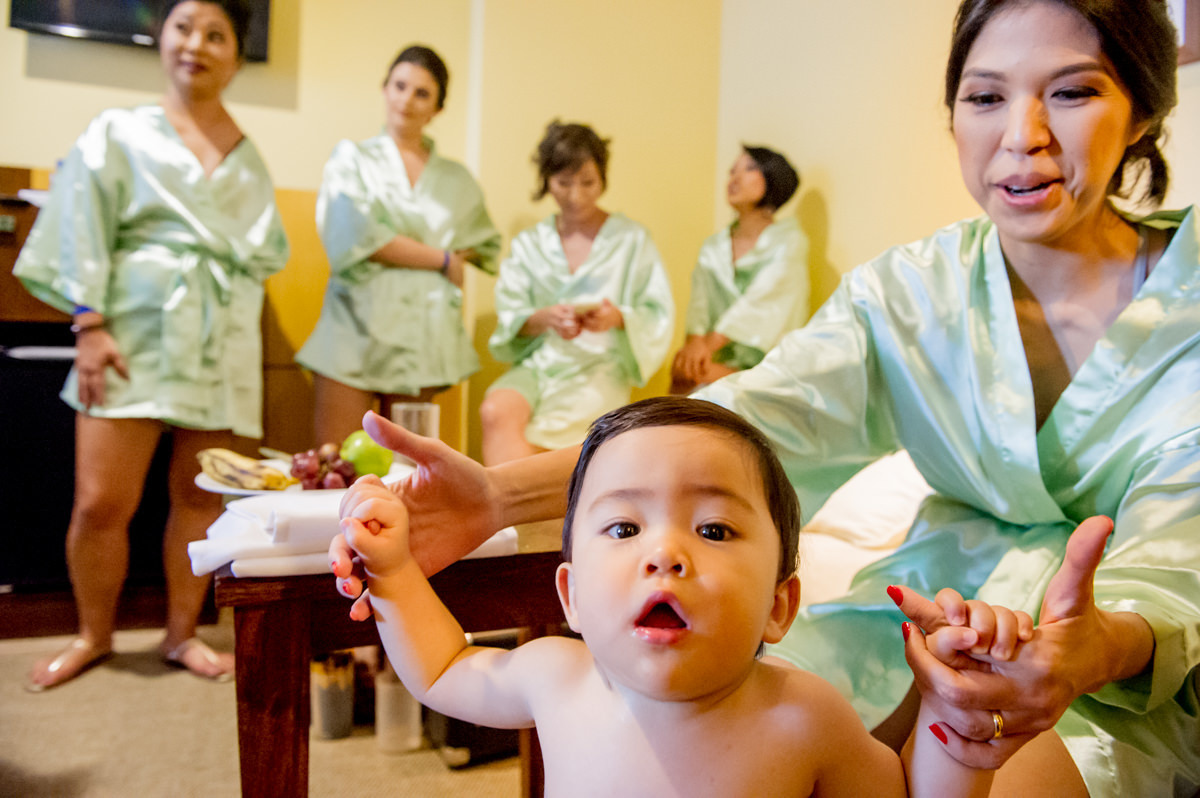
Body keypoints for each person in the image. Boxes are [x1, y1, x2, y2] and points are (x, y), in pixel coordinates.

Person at [332, 0, 1200, 793]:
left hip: (1125, 663)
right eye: (985, 98)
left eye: (1074, 91)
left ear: (1146, 110)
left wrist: (1094, 651)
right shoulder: (910, 292)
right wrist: (494, 495)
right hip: (915, 614)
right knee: (716, 729)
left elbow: (1177, 566)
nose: (1025, 136)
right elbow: (738, 429)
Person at [335, 397, 1016, 796]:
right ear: (569, 595)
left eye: (714, 528)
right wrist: (390, 568)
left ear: (779, 605)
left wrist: (955, 725)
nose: (664, 553)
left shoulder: (803, 717)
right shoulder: (555, 677)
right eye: (625, 527)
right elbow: (443, 667)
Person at [14, 0, 289, 690]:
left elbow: (260, 259)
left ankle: (180, 636)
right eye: (184, 27)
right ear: (160, 37)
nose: (198, 43)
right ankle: (93, 634)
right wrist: (91, 325)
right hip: (128, 332)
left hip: (219, 338)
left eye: (217, 34)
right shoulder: (116, 132)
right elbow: (81, 227)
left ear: (236, 53)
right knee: (101, 501)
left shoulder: (248, 155)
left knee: (200, 500)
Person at [295, 44, 501, 448]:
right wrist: (440, 258)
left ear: (437, 108)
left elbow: (484, 243)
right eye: (399, 85)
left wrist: (448, 260)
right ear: (385, 88)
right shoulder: (351, 159)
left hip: (422, 336)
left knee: (408, 475)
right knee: (337, 468)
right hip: (353, 326)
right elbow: (355, 236)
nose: (406, 100)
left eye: (421, 93)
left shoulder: (456, 180)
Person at [478, 122, 674, 465]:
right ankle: (511, 514)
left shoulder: (631, 239)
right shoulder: (530, 243)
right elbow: (512, 316)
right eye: (563, 183)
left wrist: (617, 317)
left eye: (587, 182)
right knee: (496, 409)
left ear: (603, 178)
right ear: (546, 181)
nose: (575, 195)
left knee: (579, 434)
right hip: (541, 363)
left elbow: (657, 311)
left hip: (601, 363)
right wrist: (546, 318)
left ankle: (542, 514)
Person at [670, 145, 808, 394]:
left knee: (704, 381)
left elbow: (760, 304)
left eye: (749, 169)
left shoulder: (789, 241)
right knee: (681, 374)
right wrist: (694, 348)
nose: (734, 178)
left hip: (768, 363)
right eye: (731, 171)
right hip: (713, 358)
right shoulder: (713, 247)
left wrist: (707, 348)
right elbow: (699, 307)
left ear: (772, 178)